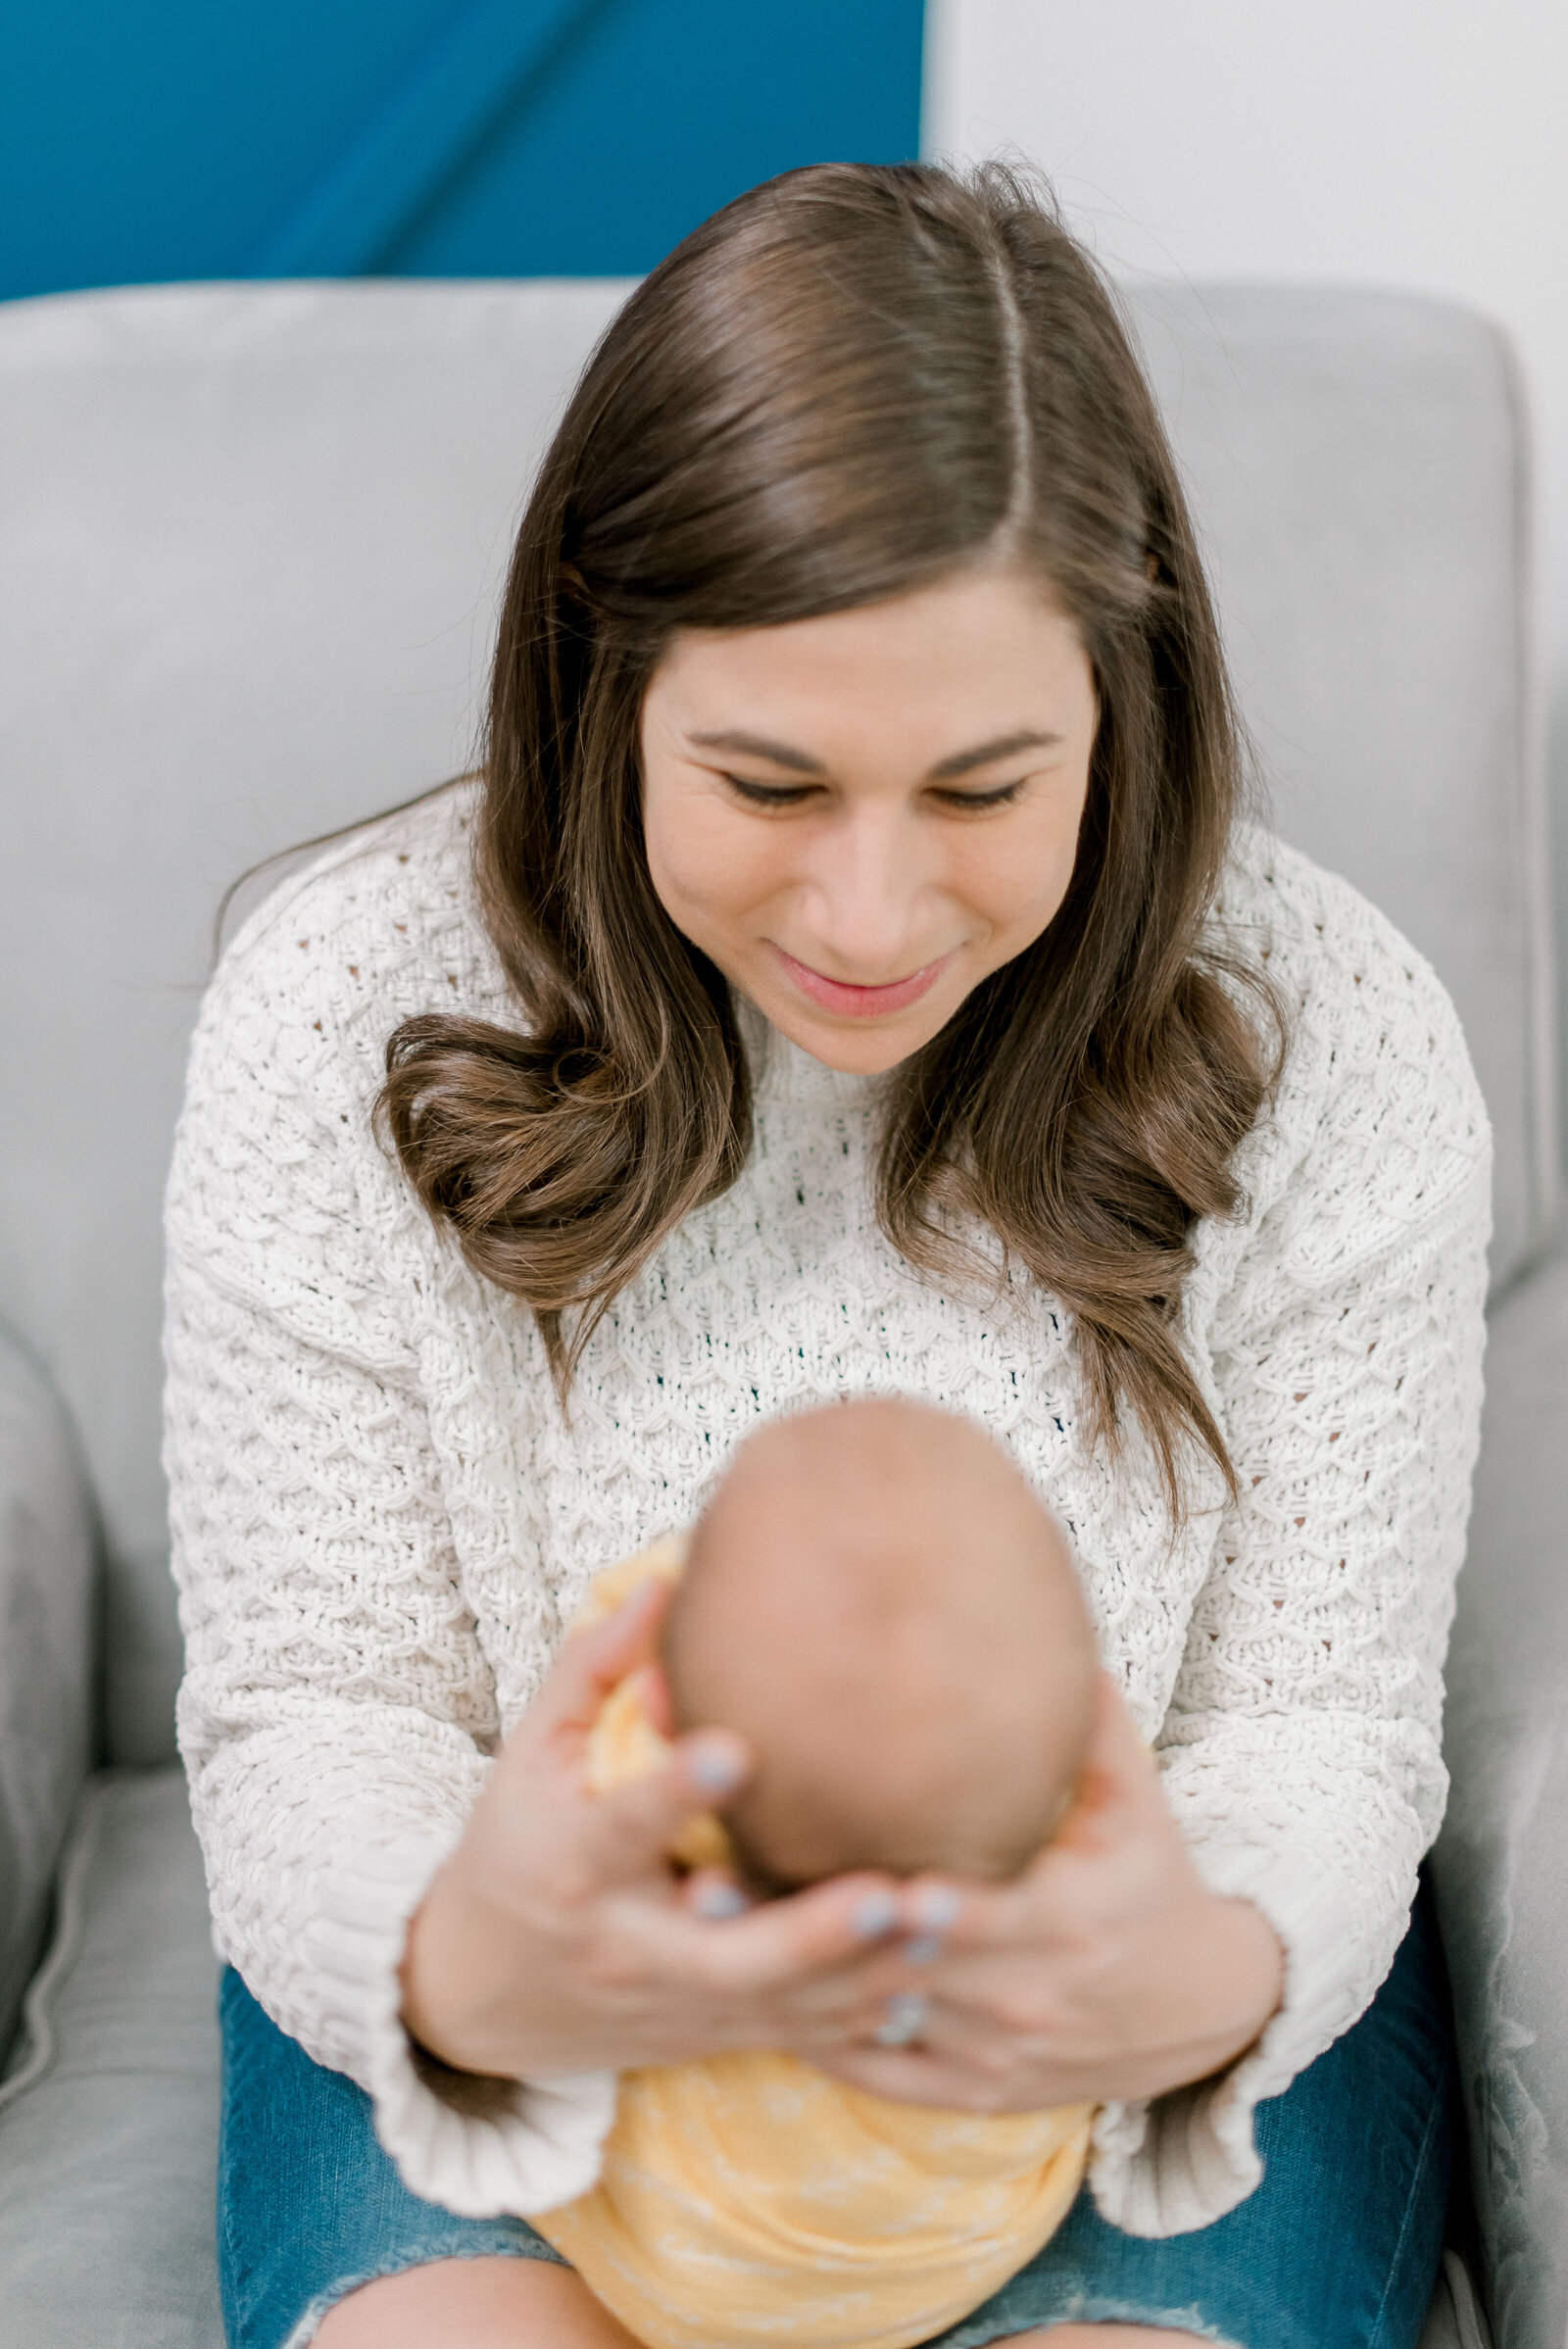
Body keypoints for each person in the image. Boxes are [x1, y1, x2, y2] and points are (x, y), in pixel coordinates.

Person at [164, 161, 1488, 2349]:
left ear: (1115, 714)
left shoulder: (1324, 1034)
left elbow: (1315, 1720)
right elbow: (326, 1697)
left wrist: (1183, 1969)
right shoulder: (341, 1006)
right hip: (492, 1970)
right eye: (768, 785)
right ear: (603, 687)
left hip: (1143, 2026)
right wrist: (476, 1958)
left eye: (981, 791)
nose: (869, 922)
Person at [539, 1398, 1100, 2349]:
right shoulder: (1061, 1820)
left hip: (672, 2273)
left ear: (669, 1708)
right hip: (963, 2252)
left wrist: (657, 1607)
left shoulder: (654, 1785)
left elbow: (602, 1695)